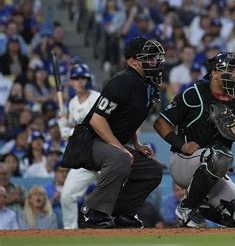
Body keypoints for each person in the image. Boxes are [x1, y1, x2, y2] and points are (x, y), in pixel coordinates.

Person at [154, 52, 235, 228]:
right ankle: (186, 208)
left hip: (216, 169)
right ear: (215, 72)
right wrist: (181, 144)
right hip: (184, 162)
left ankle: (195, 210)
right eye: (231, 70)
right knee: (220, 155)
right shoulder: (194, 93)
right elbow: (161, 123)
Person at [76, 37, 165, 229]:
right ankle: (93, 213)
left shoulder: (147, 85)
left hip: (108, 145)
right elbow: (97, 120)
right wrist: (120, 148)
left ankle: (122, 213)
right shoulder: (121, 82)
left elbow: (130, 118)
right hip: (88, 143)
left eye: (155, 57)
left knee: (152, 170)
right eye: (148, 58)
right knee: (120, 157)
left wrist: (137, 144)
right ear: (132, 61)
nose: (154, 61)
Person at [58, 63, 101, 229]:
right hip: (83, 158)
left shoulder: (97, 98)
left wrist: (68, 132)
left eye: (83, 78)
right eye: (76, 78)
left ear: (88, 79)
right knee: (67, 195)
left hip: (100, 153)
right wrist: (63, 122)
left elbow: (94, 128)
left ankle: (123, 230)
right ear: (71, 81)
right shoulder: (72, 103)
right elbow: (71, 125)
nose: (80, 81)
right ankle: (70, 232)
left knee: (116, 196)